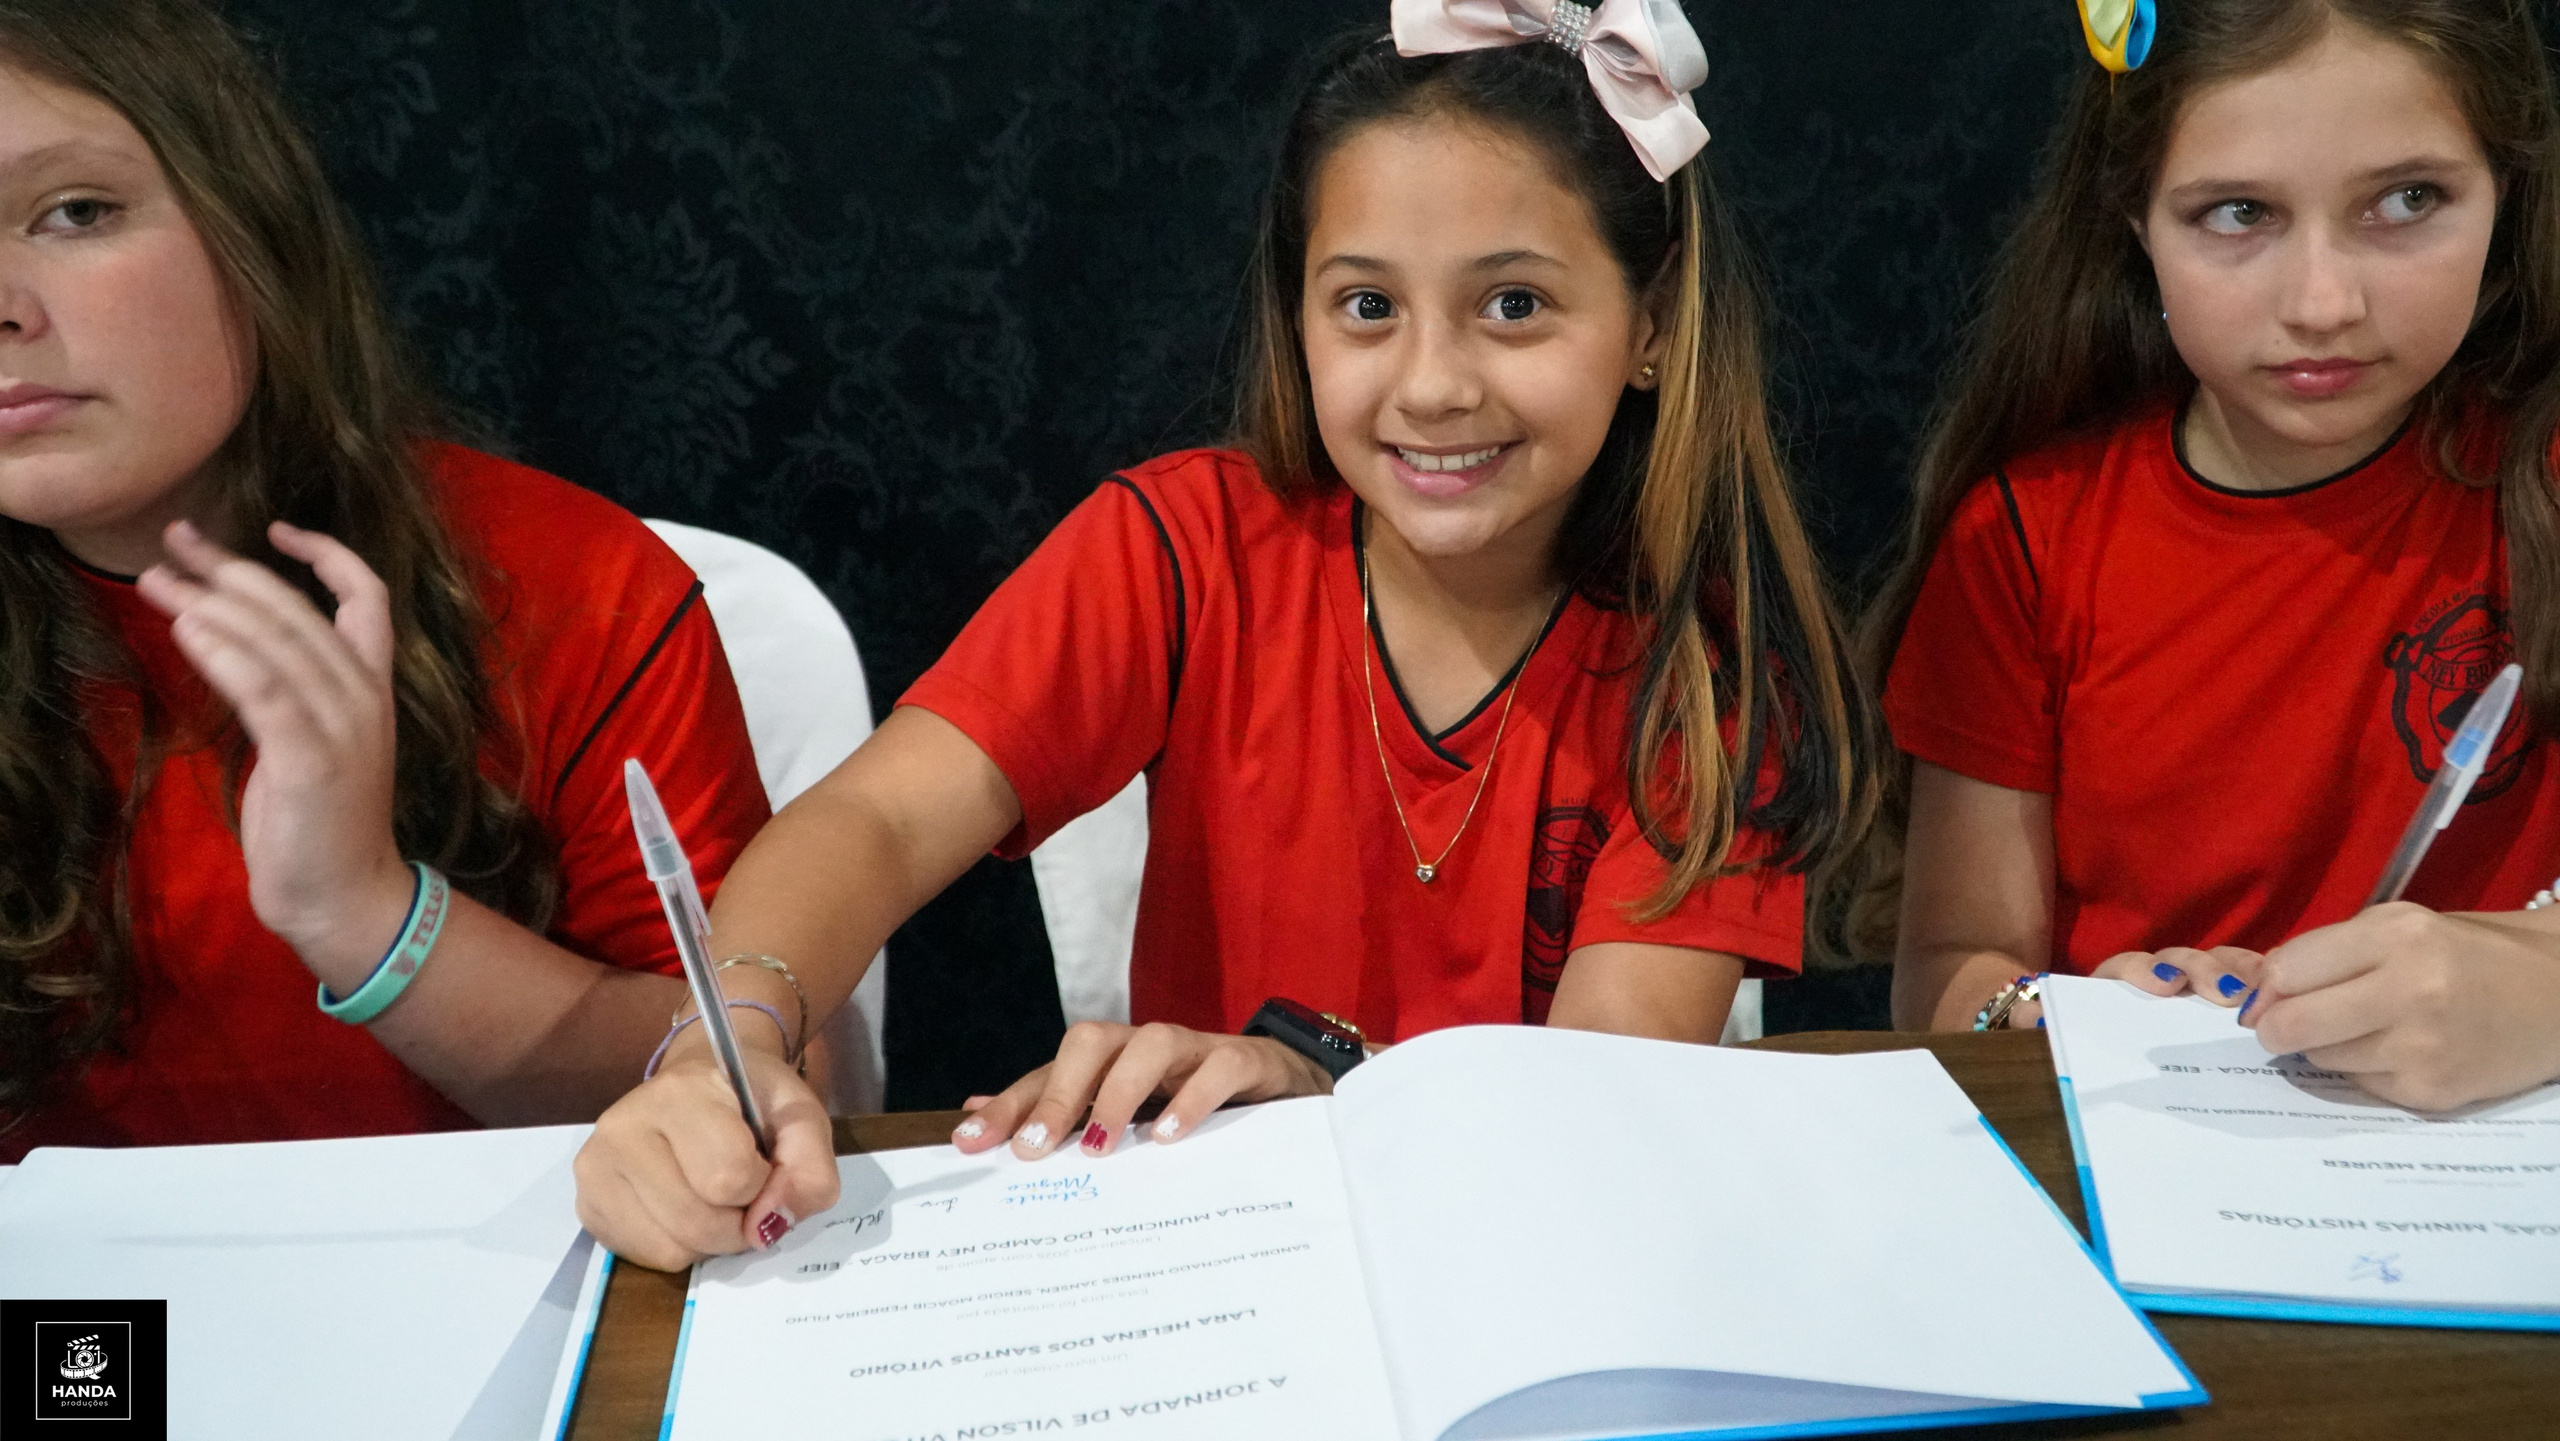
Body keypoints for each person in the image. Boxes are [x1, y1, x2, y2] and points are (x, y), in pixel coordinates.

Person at [575, 3, 1880, 1271]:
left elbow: (1587, 1123)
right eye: (1367, 307)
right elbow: (877, 822)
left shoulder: (1703, 683)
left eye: (1515, 306)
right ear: (1299, 315)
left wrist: (1320, 1079)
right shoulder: (1180, 550)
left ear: (1650, 327)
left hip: (1512, 1281)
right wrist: (728, 1036)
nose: (1431, 383)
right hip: (1212, 1274)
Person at [0, 0, 772, 1160]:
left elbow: (761, 1089)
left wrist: (363, 913)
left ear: (258, 231)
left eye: (74, 212)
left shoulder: (572, 590)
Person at [1869, 0, 2560, 1110]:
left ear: (2506, 191)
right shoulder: (2026, 537)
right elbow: (1950, 971)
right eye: (2238, 213)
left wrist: (2537, 986)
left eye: (2407, 201)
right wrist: (2067, 1011)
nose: (2322, 302)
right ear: (2136, 220)